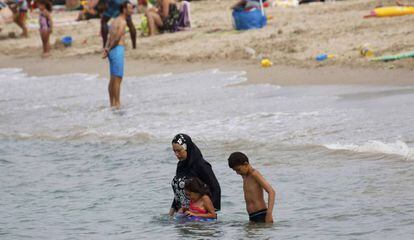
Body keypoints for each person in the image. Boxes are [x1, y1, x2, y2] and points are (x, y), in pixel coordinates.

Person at [169, 133, 221, 216]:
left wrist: (210, 213)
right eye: (174, 151)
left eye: (179, 150)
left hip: (197, 214)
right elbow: (179, 192)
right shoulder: (180, 165)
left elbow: (215, 188)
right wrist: (171, 212)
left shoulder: (201, 165)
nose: (176, 154)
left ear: (187, 148)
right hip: (181, 213)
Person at [228, 152, 275, 223]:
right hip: (252, 216)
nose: (237, 173)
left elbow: (271, 192)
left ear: (246, 164)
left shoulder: (254, 174)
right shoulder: (244, 176)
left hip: (261, 214)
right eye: (235, 171)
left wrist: (269, 214)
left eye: (238, 169)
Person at [102, 0, 132, 108]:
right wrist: (109, 49)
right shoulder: (123, 22)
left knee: (112, 78)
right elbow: (118, 37)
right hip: (117, 49)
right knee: (118, 78)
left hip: (112, 50)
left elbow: (110, 37)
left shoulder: (114, 21)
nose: (132, 10)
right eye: (130, 8)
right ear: (124, 10)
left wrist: (106, 48)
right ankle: (118, 104)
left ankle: (112, 103)